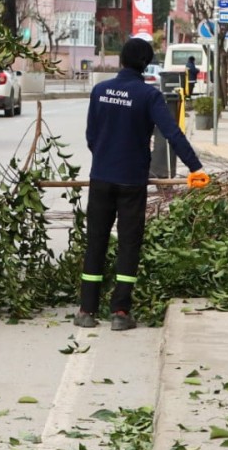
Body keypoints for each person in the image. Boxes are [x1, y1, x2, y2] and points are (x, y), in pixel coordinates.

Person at [77, 37, 209, 331]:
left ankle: (86, 310)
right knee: (129, 243)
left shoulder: (100, 91)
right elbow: (172, 133)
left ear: (121, 60)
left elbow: (91, 136)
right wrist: (195, 167)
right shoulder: (149, 96)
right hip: (132, 181)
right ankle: (120, 312)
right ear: (146, 64)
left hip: (101, 178)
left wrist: (105, 157)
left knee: (96, 241)